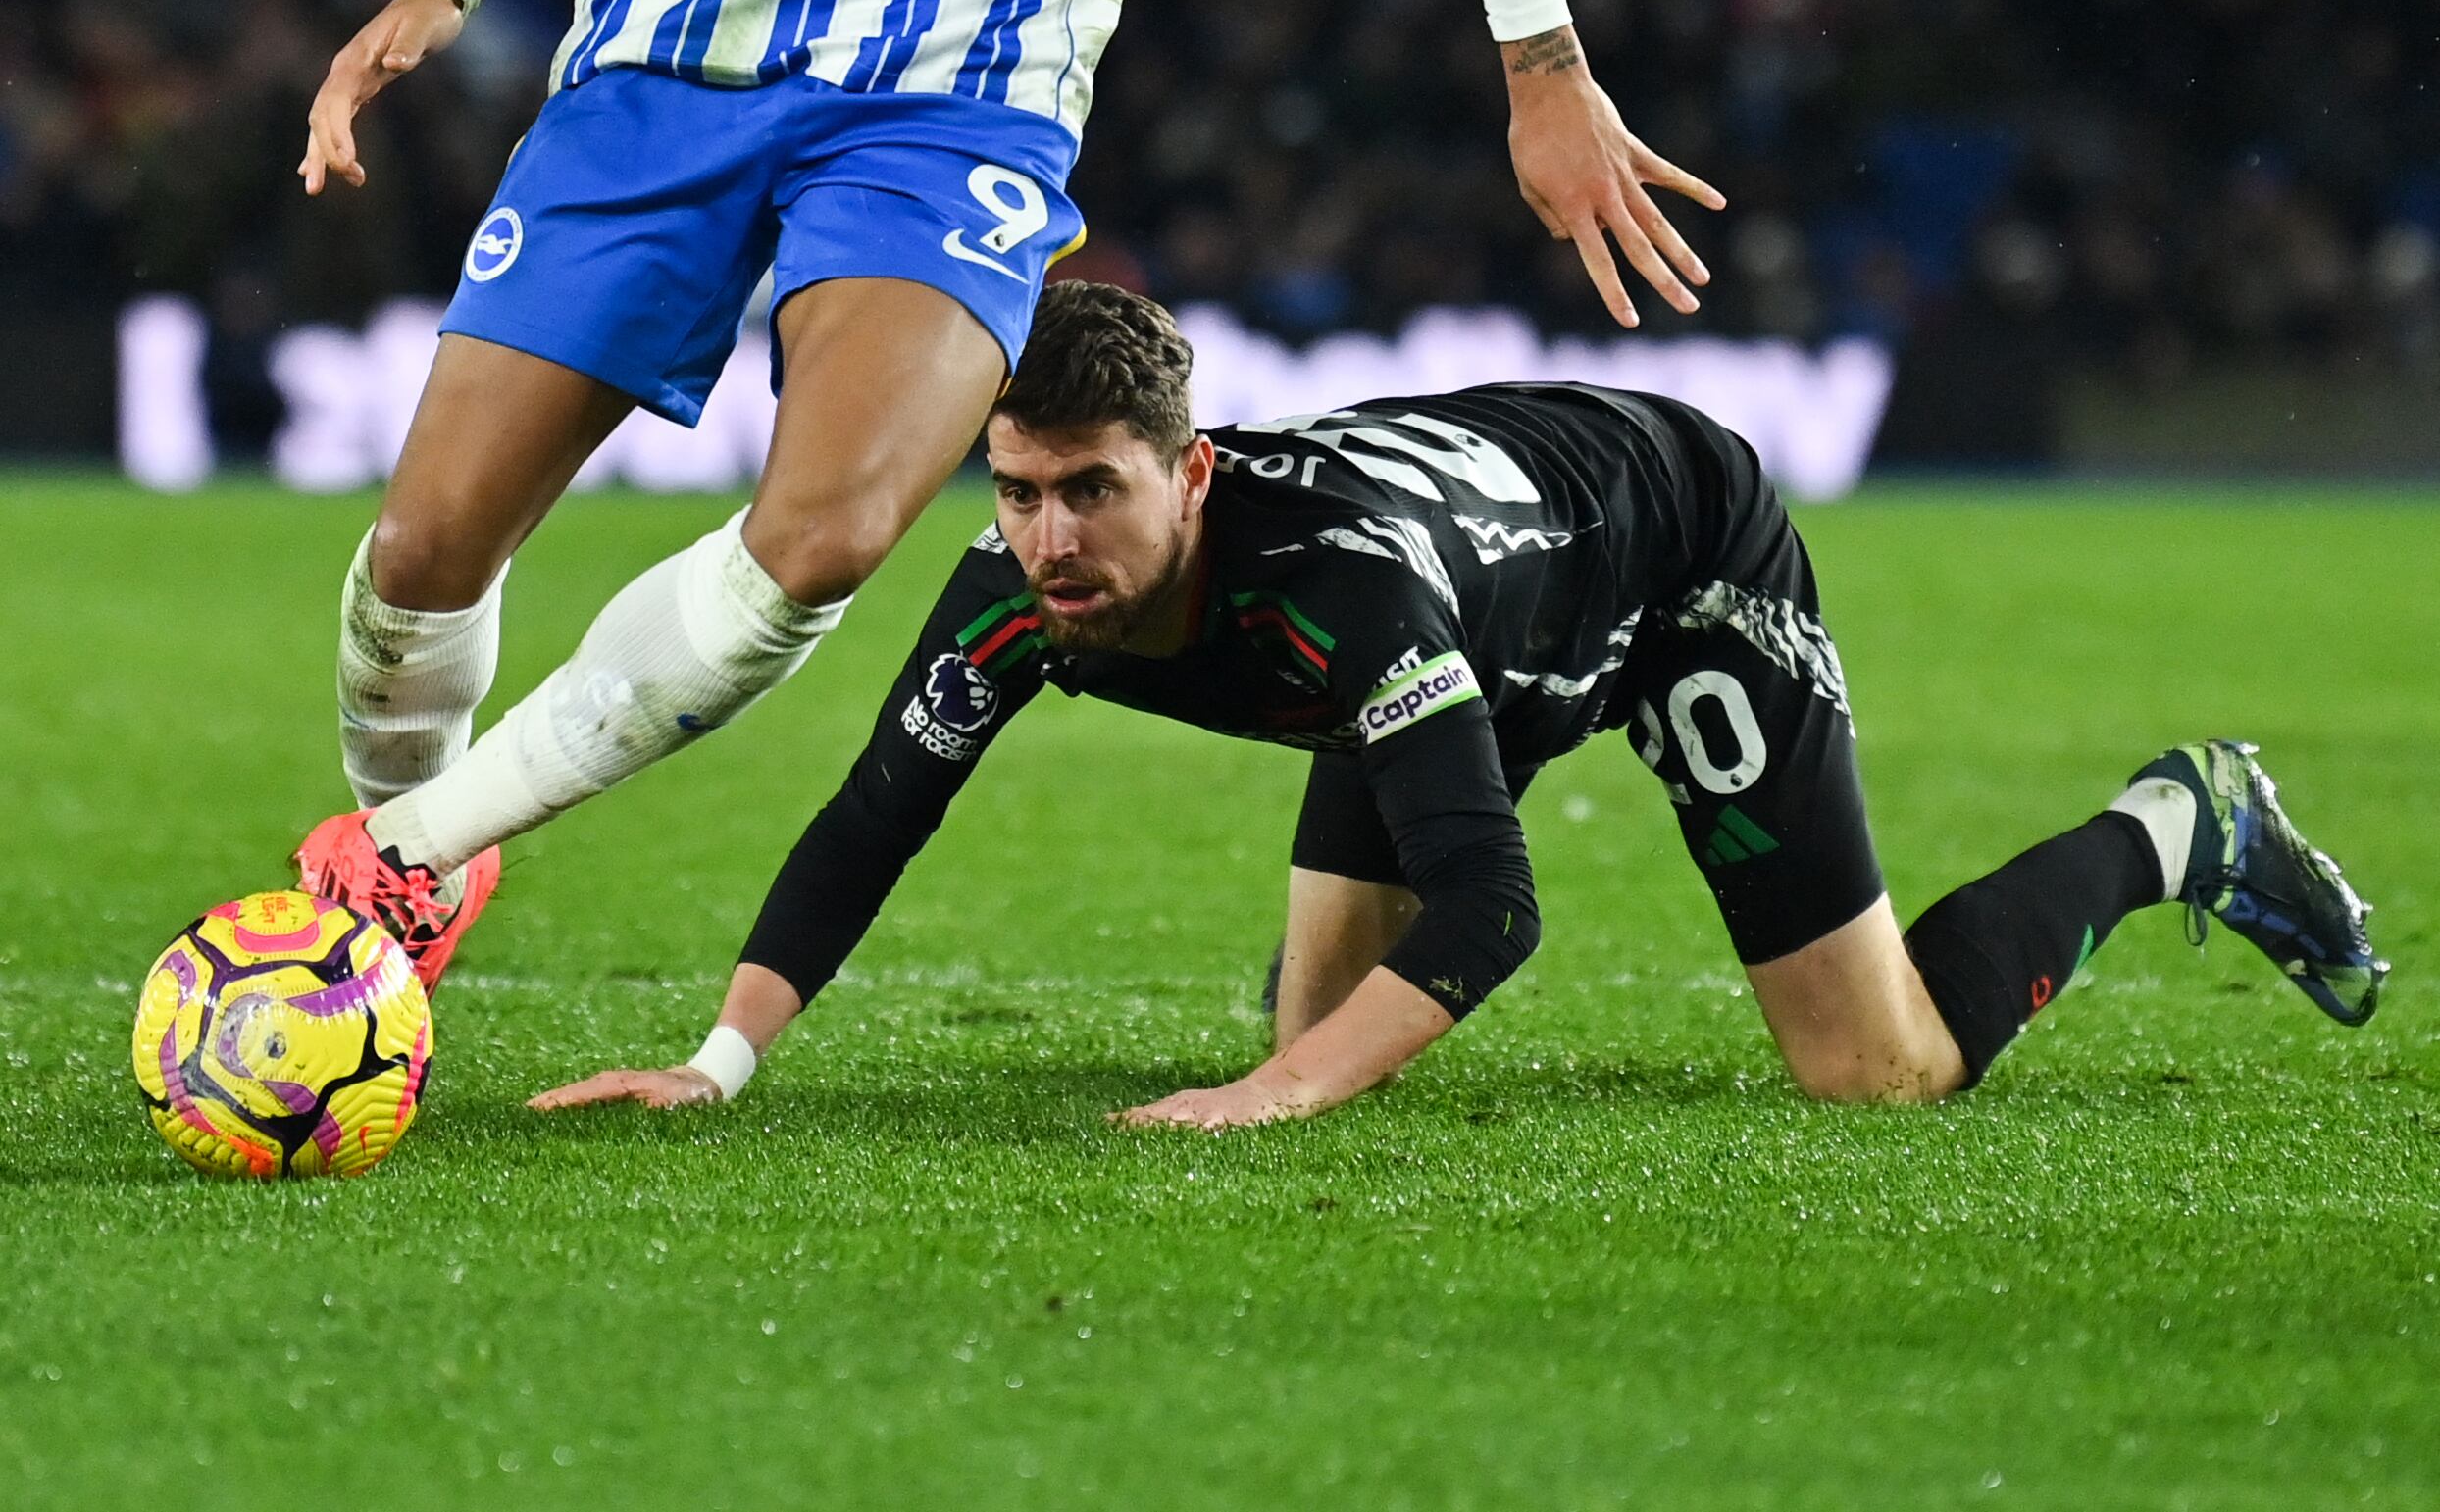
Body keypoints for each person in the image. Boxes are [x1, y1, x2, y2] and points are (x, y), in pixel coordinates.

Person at [290, 0, 1728, 991]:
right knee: (424, 552)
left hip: (956, 96)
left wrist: (1541, 61)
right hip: (666, 54)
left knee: (825, 534)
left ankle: (394, 870)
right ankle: (410, 868)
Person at [531, 282, 2386, 1124]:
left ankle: (2178, 822)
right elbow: (876, 815)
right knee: (1325, 1026)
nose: (1044, 540)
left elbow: (1499, 909)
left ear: (1192, 475)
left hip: (1674, 554)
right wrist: (720, 1058)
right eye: (1015, 490)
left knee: (1871, 1069)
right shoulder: (1016, 597)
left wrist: (1269, 1096)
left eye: (1090, 491)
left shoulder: (1338, 589)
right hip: (1470, 605)